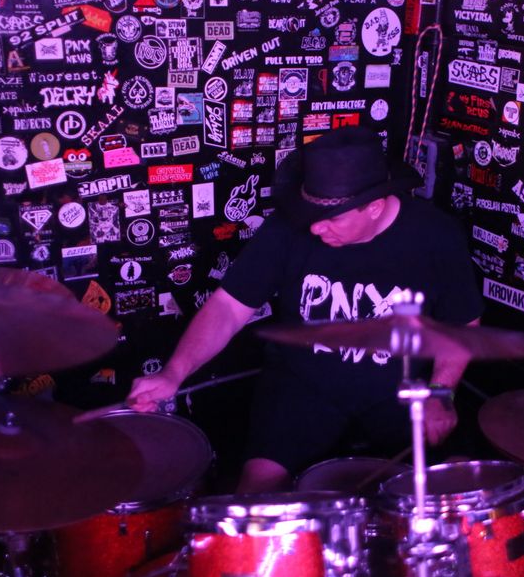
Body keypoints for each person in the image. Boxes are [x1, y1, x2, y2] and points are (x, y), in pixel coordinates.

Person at [128, 127, 484, 493]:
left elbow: (463, 322)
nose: (315, 227)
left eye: (333, 217)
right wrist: (173, 373)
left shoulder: (435, 235)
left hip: (401, 389)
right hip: (303, 386)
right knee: (257, 492)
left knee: (456, 485)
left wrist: (441, 392)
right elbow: (229, 307)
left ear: (375, 207)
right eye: (311, 213)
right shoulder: (288, 227)